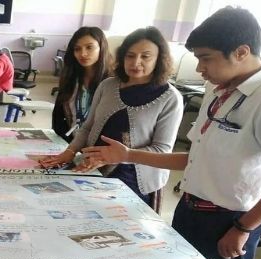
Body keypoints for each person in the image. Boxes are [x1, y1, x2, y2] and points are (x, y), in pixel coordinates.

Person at [80, 7, 261, 259]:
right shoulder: (218, 92)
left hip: (229, 220)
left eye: (206, 58)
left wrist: (243, 228)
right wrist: (128, 155)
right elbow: (196, 158)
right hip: (190, 209)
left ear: (241, 52)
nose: (200, 68)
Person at [42, 27, 182, 212]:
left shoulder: (170, 97)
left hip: (134, 178)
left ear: (159, 59)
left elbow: (161, 149)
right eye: (130, 56)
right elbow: (88, 127)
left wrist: (115, 156)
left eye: (145, 57)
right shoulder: (108, 85)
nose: (136, 62)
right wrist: (70, 151)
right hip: (91, 167)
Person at [51, 27, 112, 142]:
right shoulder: (71, 78)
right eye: (77, 49)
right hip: (72, 143)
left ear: (102, 47)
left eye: (89, 47)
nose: (83, 54)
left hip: (100, 146)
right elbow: (58, 118)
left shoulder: (112, 82)